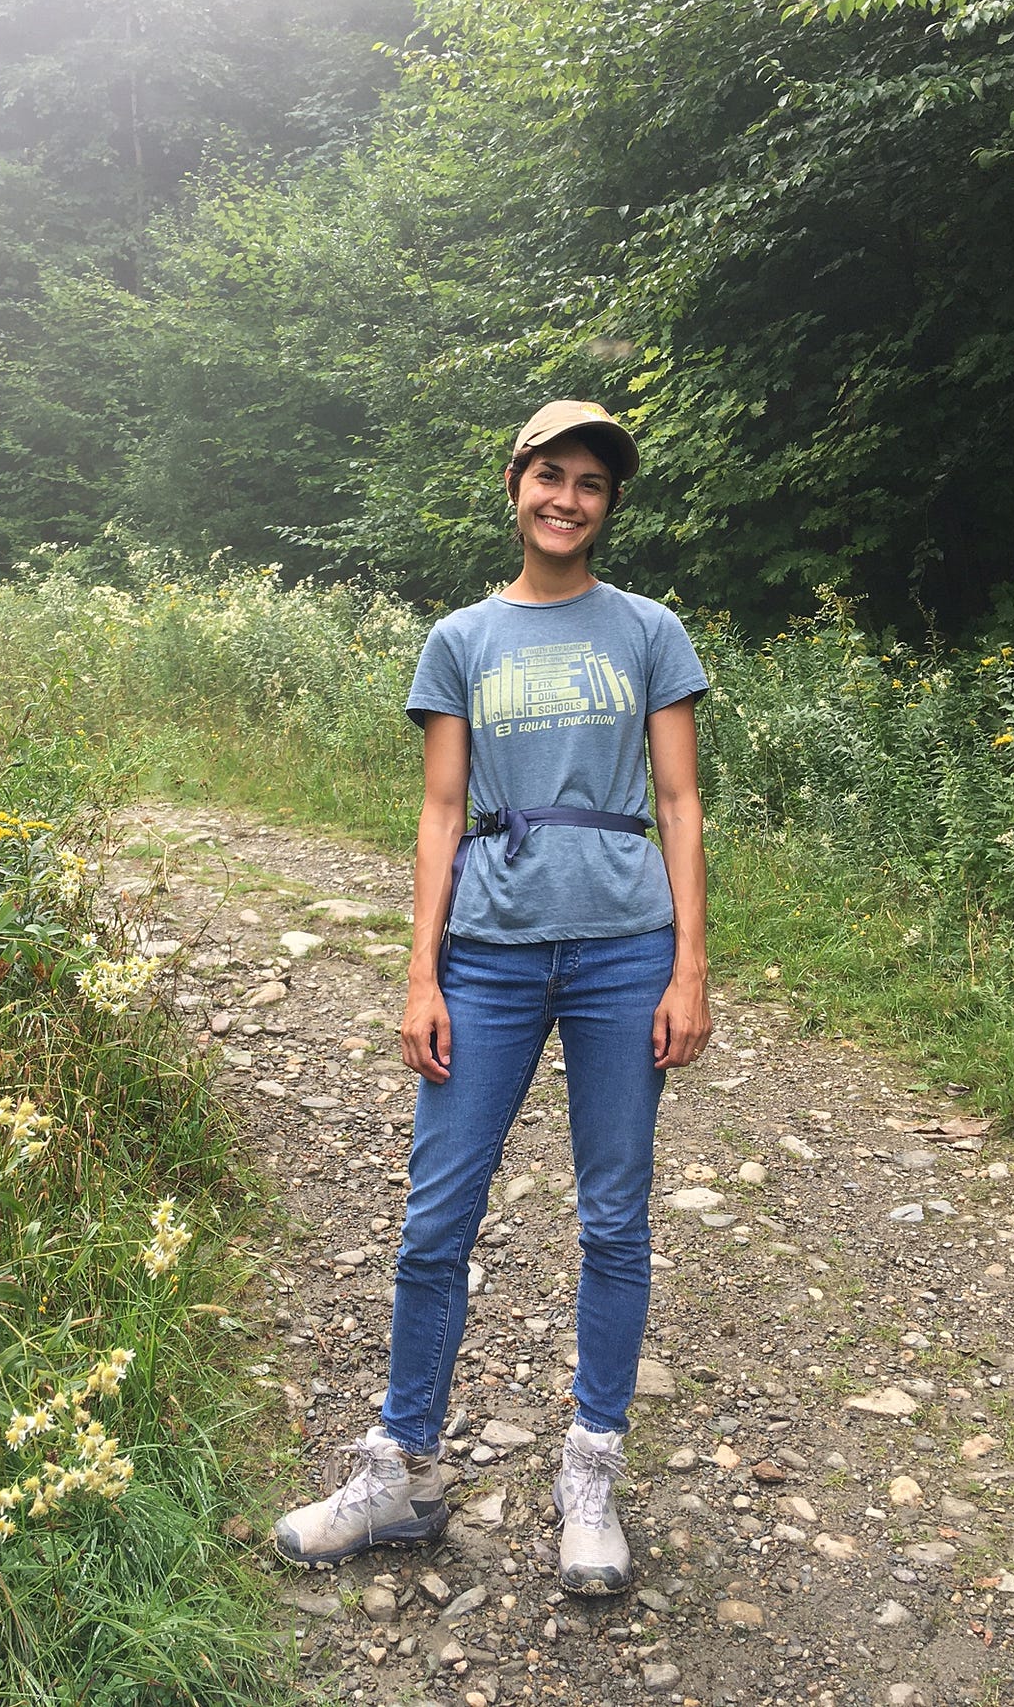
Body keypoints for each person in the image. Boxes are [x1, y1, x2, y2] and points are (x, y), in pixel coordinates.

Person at [275, 400, 710, 1593]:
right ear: (513, 483)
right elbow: (436, 812)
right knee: (434, 1219)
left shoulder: (648, 632)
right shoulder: (459, 638)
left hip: (625, 948)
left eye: (591, 485)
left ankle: (589, 1478)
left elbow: (677, 803)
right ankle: (402, 1475)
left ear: (607, 507)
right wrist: (420, 973)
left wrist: (689, 965)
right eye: (550, 476)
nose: (568, 498)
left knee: (613, 1219)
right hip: (491, 952)